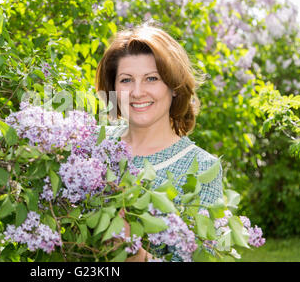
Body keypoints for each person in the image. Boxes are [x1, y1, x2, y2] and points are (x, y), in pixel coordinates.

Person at [95, 22, 223, 262]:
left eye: (151, 78)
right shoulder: (93, 145)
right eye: (125, 80)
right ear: (113, 88)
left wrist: (133, 253)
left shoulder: (203, 167)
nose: (137, 92)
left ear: (174, 87)